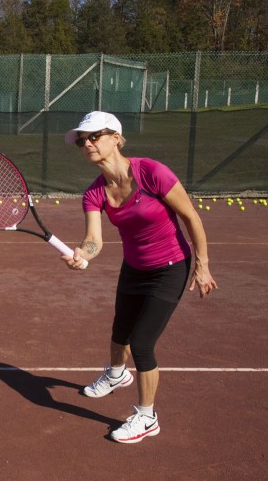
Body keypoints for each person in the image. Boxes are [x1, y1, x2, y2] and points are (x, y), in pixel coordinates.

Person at [62, 111, 217, 444]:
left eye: (94, 136)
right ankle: (116, 375)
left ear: (116, 138)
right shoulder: (94, 193)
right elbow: (93, 240)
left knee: (142, 343)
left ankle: (147, 417)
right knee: (120, 330)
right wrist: (82, 254)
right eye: (81, 140)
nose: (86, 143)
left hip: (170, 267)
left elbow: (190, 216)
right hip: (134, 268)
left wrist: (202, 265)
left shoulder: (152, 172)